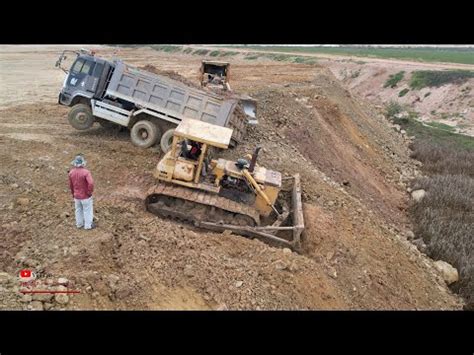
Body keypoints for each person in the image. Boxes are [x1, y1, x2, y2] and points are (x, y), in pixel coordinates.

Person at [68, 154, 95, 230]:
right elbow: (91, 183)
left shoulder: (71, 173)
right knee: (87, 210)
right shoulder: (86, 172)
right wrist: (89, 192)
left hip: (76, 196)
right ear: (83, 163)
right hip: (85, 196)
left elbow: (71, 185)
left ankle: (79, 224)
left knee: (78, 210)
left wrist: (73, 193)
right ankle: (88, 225)